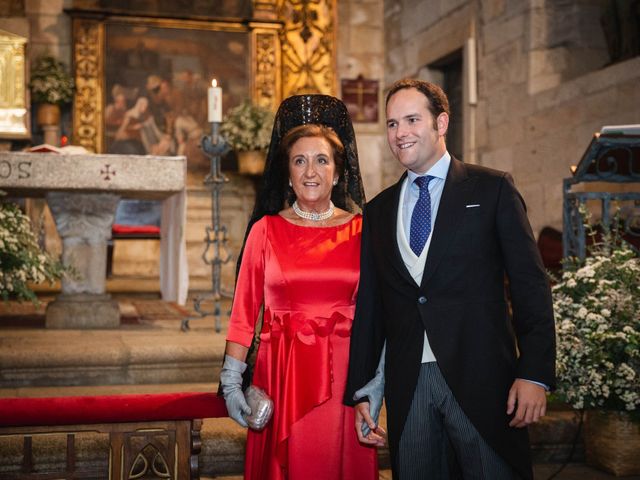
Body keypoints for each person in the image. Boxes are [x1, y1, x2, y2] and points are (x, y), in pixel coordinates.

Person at [344, 78, 556, 479]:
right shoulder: (378, 210)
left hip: (481, 375)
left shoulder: (492, 189)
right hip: (409, 383)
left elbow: (530, 285)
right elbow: (371, 306)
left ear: (441, 123)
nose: (400, 133)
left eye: (411, 119)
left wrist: (534, 373)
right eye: (392, 124)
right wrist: (364, 387)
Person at [220, 95, 378, 480]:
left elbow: (379, 316)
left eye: (322, 160)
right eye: (300, 160)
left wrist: (375, 387)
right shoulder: (265, 230)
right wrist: (230, 383)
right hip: (280, 374)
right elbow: (243, 315)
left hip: (344, 376)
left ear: (338, 173)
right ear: (287, 173)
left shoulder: (363, 232)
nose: (311, 171)